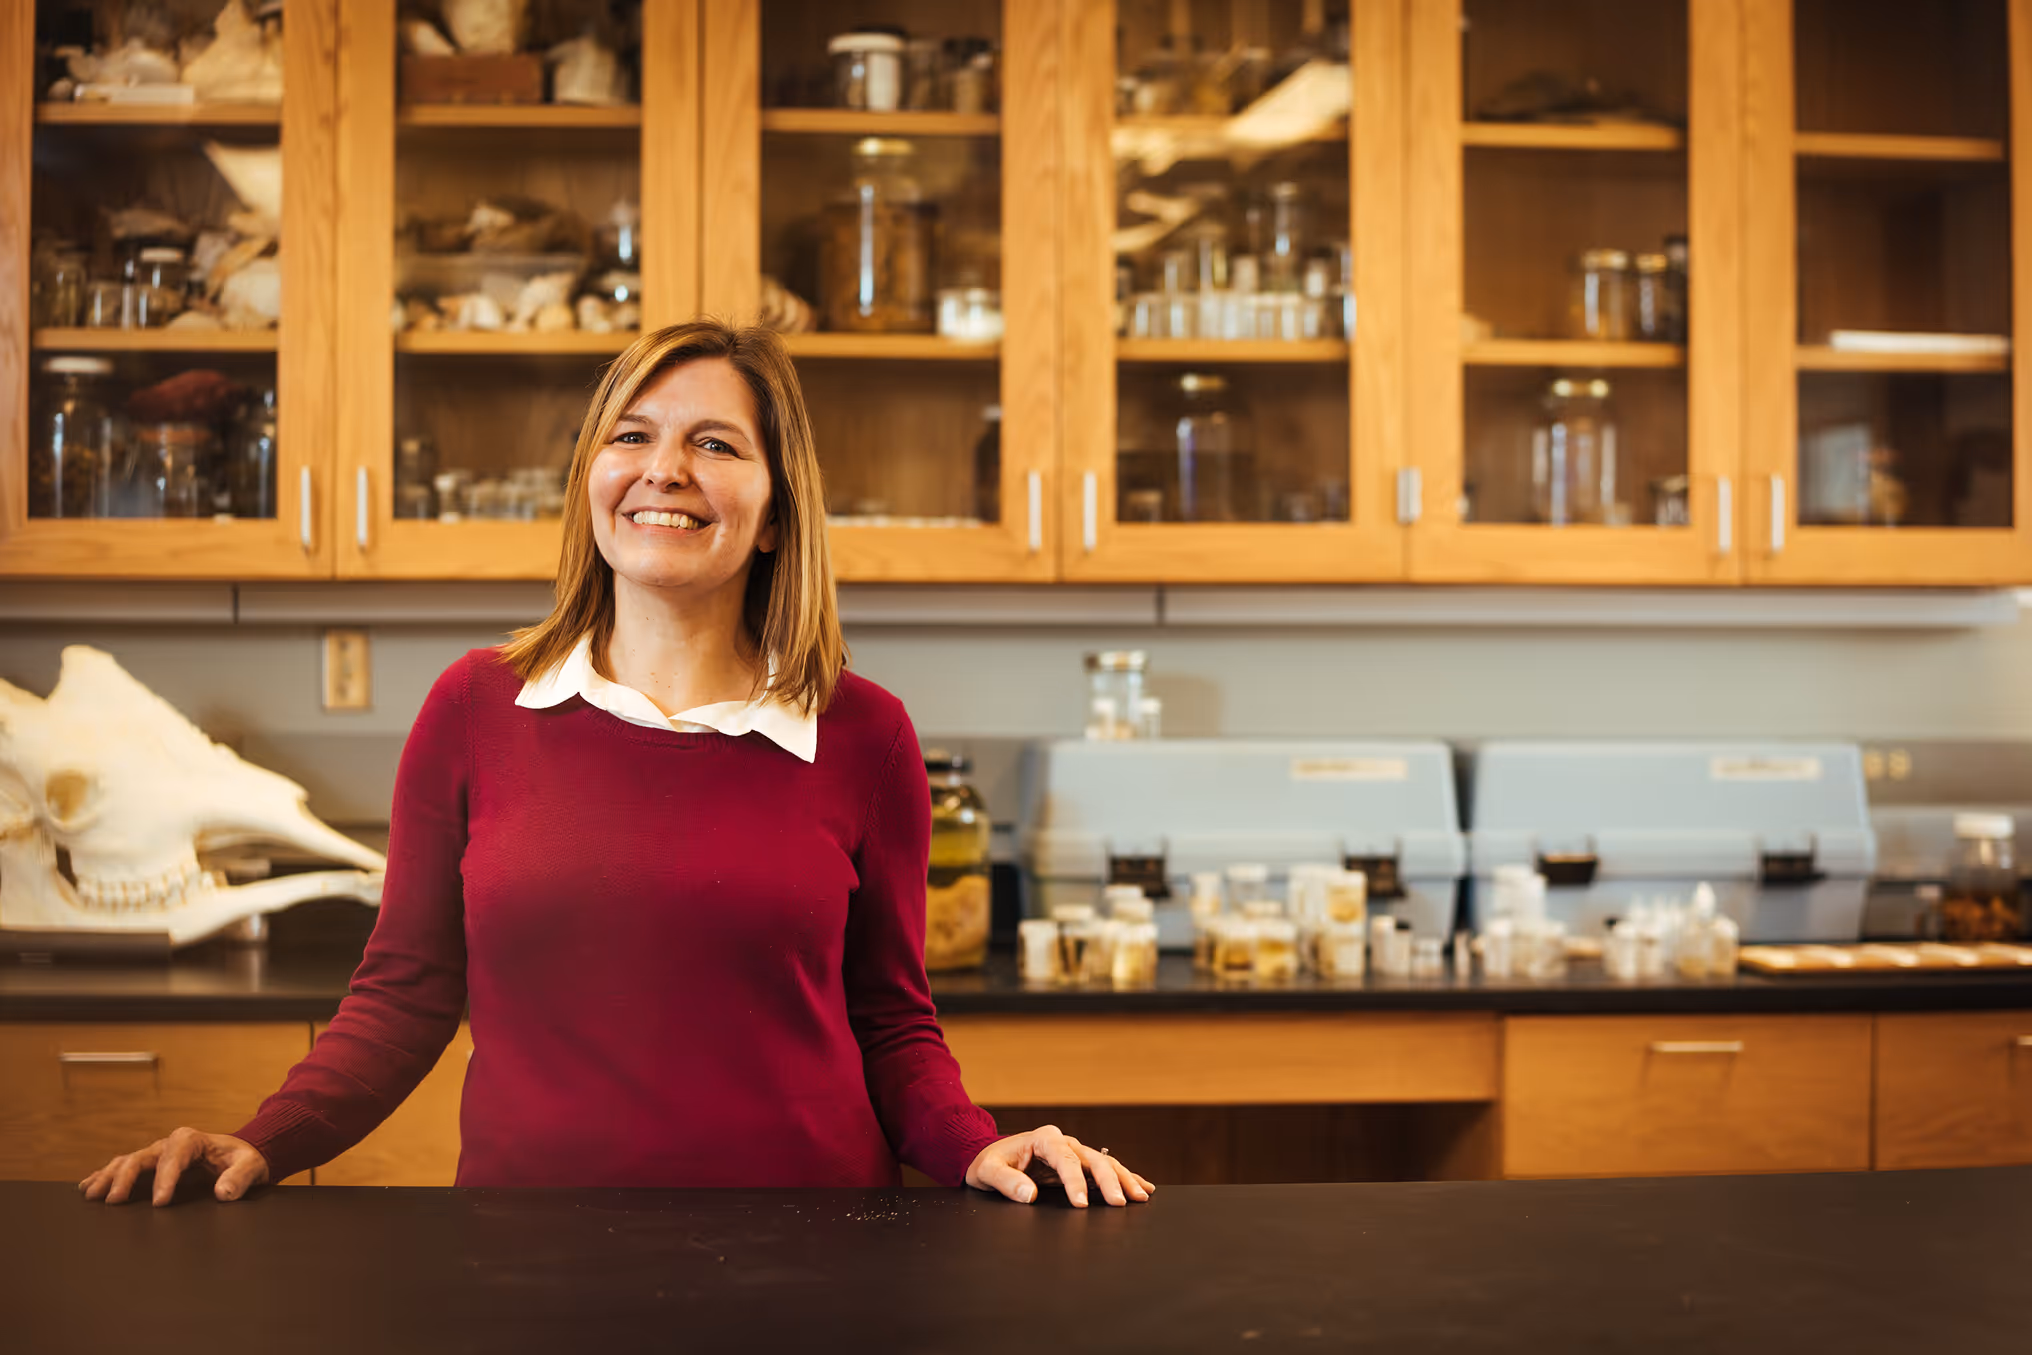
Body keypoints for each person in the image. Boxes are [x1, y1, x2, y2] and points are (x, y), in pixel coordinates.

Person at [79, 321, 1152, 1211]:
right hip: (529, 1244)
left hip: (815, 1249)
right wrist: (264, 1137)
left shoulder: (862, 730)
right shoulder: (475, 706)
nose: (664, 469)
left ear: (776, 511)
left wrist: (973, 1144)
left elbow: (891, 1016)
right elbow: (403, 991)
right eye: (629, 434)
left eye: (716, 445)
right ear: (591, 479)